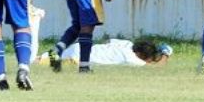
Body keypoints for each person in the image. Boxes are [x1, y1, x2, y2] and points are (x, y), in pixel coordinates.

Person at [39, 39, 173, 67]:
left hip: (80, 47)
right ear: (141, 55)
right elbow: (157, 68)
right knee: (49, 63)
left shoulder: (127, 44)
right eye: (148, 59)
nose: (148, 62)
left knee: (46, 57)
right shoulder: (131, 59)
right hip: (78, 58)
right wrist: (166, 53)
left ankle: (33, 60)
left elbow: (107, 41)